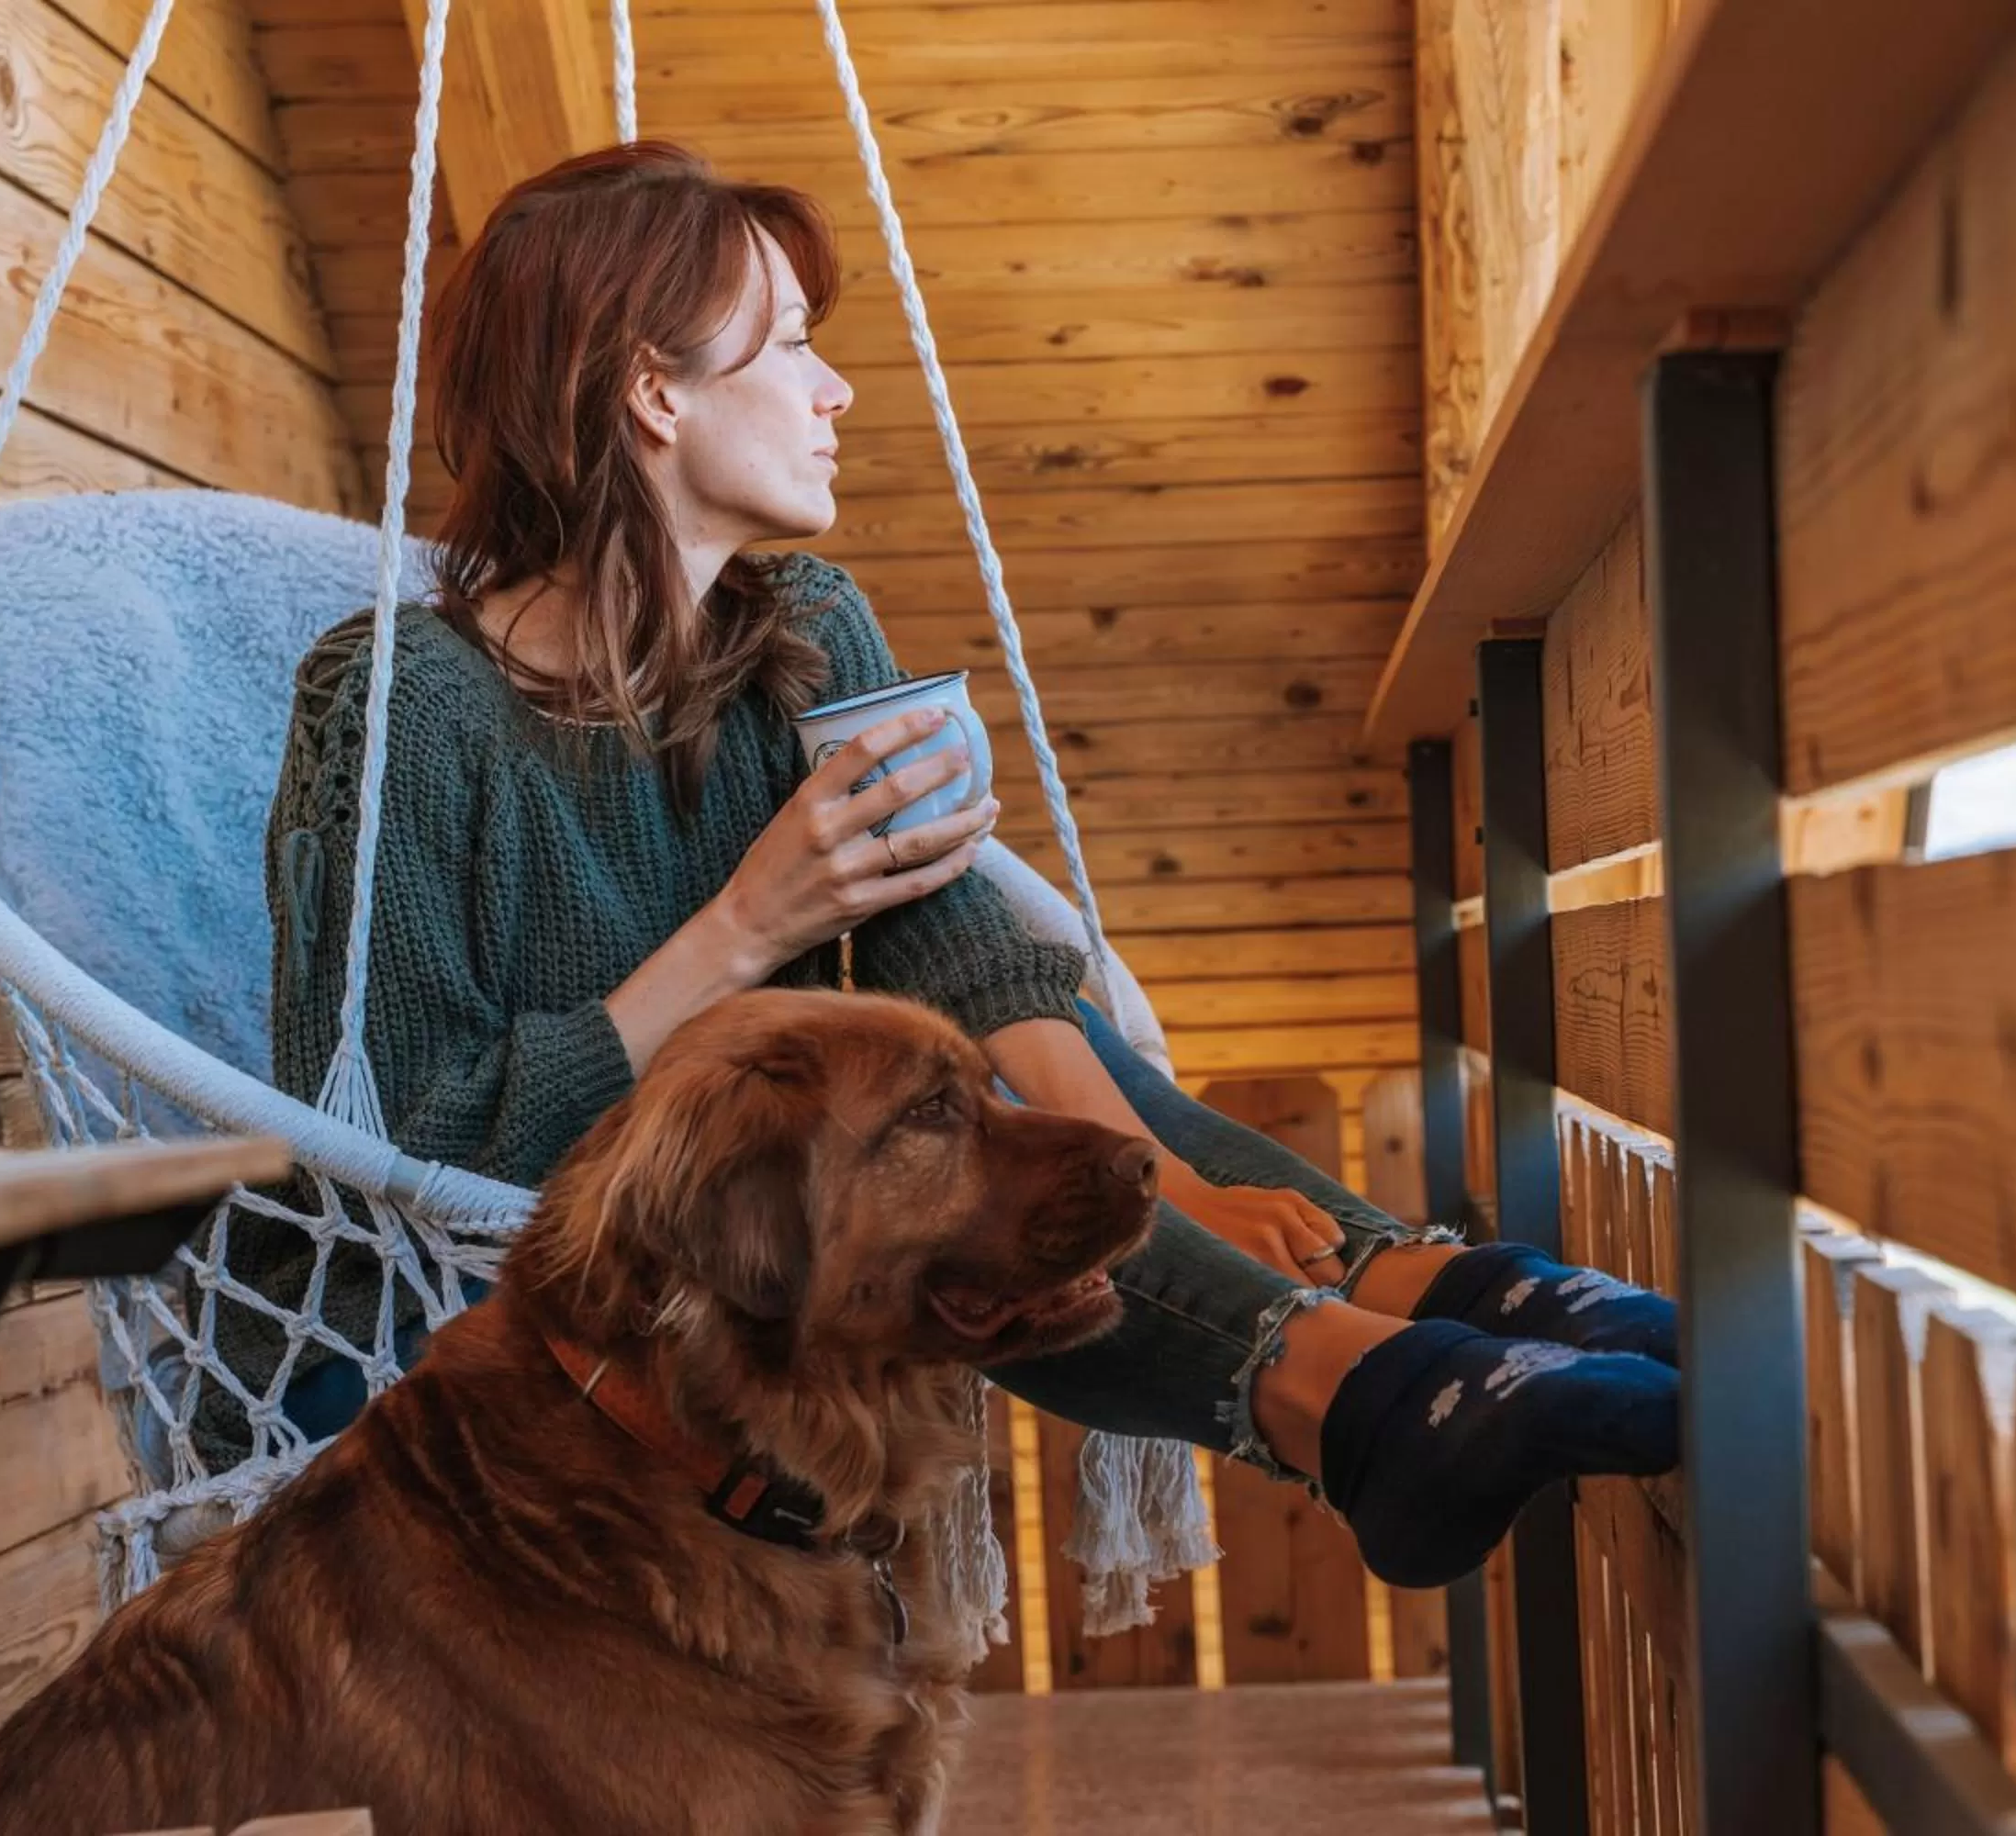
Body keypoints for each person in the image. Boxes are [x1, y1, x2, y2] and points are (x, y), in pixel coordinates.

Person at [230, 140, 1677, 1593]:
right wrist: (743, 929)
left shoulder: (797, 626)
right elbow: (407, 1142)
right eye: (792, 344)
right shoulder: (399, 705)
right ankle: (1366, 1395)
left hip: (760, 1230)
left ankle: (1432, 1301)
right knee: (937, 1147)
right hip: (501, 1274)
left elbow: (960, 955)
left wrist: (1171, 1181)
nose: (834, 389)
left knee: (1002, 1062)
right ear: (652, 393)